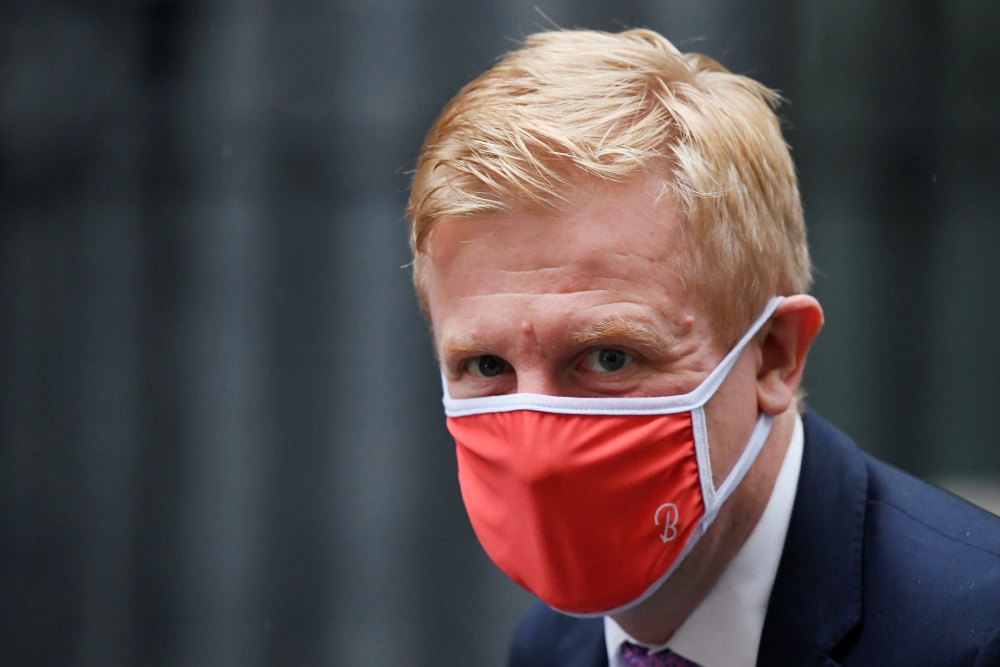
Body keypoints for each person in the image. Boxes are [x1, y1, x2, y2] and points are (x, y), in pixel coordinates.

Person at [405, 28, 1000, 667]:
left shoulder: (974, 634)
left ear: (774, 353)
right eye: (486, 366)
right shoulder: (553, 646)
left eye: (609, 357)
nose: (538, 455)